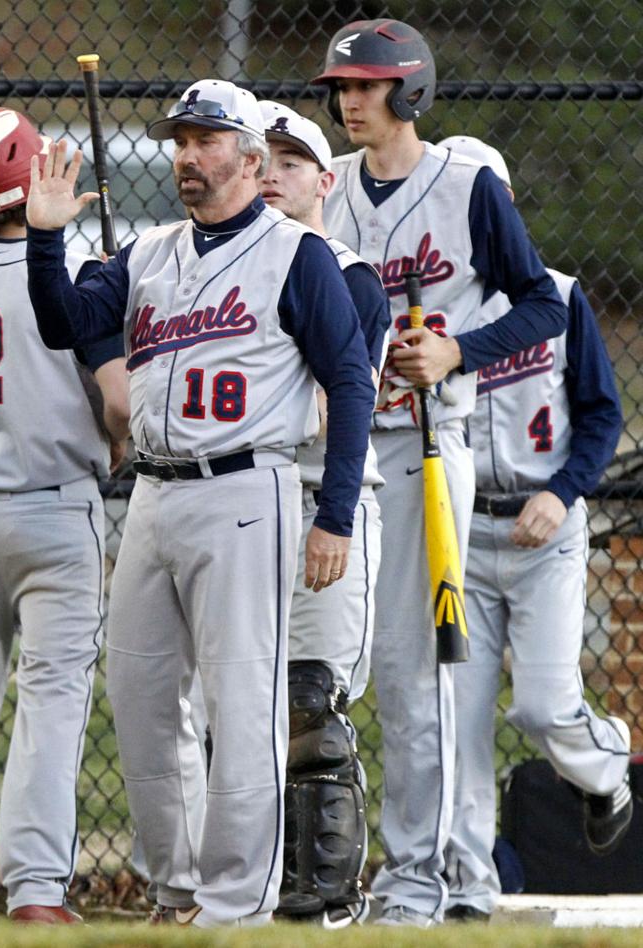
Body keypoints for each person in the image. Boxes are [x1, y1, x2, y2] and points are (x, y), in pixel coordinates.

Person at [25, 79, 376, 927]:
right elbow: (65, 321)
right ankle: (176, 886)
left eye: (206, 140)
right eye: (181, 140)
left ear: (252, 163)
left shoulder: (299, 255)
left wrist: (332, 515)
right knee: (140, 694)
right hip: (154, 490)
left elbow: (352, 381)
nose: (188, 154)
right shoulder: (149, 251)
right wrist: (44, 239)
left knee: (242, 697)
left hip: (248, 486)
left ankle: (235, 901)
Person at [314, 19, 569, 927]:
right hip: (339, 452)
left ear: (410, 91)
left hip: (425, 448)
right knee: (355, 670)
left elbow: (543, 303)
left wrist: (458, 349)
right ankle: (433, 871)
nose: (350, 100)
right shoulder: (329, 188)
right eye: (342, 85)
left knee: (418, 670)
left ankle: (425, 877)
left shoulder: (465, 186)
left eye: (369, 85)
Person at [0, 107, 129, 924]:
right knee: (50, 703)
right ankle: (36, 891)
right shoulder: (73, 269)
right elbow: (116, 407)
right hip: (58, 508)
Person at [437, 135, 631, 923]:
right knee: (458, 723)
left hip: (543, 528)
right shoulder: (429, 309)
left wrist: (564, 489)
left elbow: (602, 413)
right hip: (457, 535)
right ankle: (467, 890)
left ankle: (607, 772)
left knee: (547, 706)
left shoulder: (555, 294)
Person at [257, 101, 390, 927]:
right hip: (235, 504)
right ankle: (249, 887)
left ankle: (327, 899)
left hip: (320, 498)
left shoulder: (347, 275)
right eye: (259, 160)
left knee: (312, 706)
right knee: (230, 712)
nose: (272, 175)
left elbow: (327, 402)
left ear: (324, 180)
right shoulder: (207, 267)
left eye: (291, 162)